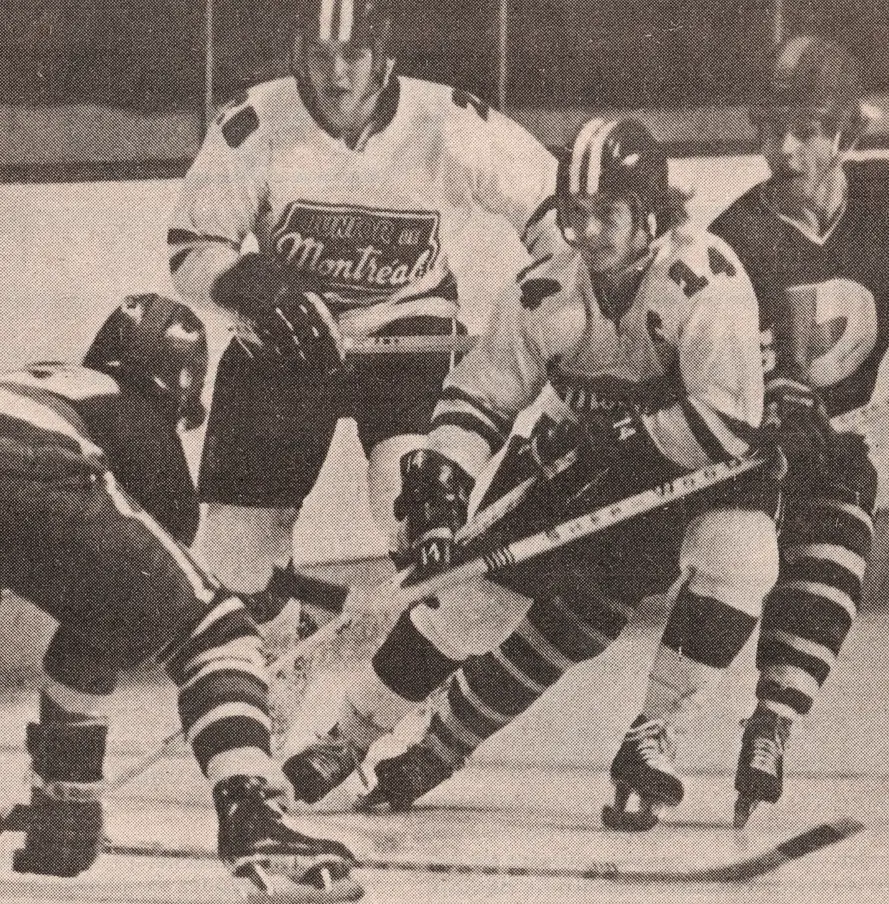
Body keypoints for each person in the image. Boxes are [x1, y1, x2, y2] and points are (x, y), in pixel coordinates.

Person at [282, 117, 793, 829]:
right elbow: (482, 396)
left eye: (607, 212)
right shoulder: (545, 290)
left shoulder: (706, 278)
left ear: (652, 211)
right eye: (573, 213)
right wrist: (444, 481)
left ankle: (655, 735)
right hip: (582, 457)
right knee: (465, 598)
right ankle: (349, 737)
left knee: (742, 558)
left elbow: (725, 421)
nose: (586, 232)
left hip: (702, 471)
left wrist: (624, 440)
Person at [166, 0, 559, 633]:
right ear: (298, 53)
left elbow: (555, 212)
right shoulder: (253, 122)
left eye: (353, 56)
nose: (336, 76)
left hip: (407, 340)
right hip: (287, 347)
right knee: (237, 556)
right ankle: (251, 698)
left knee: (421, 528)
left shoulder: (448, 121)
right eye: (320, 57)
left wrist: (559, 308)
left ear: (385, 56)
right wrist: (246, 283)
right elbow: (191, 248)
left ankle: (383, 703)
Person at [0, 294, 361, 900]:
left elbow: (104, 614)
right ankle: (255, 818)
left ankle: (62, 810)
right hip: (37, 471)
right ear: (180, 377)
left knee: (106, 620)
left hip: (25, 460)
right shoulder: (127, 403)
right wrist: (255, 595)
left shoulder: (43, 380)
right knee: (218, 628)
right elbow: (171, 541)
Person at [706, 33, 889, 827]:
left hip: (832, 449)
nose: (785, 149)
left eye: (808, 129)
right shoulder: (731, 238)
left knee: (837, 539)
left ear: (850, 134)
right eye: (773, 128)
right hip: (737, 454)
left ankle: (772, 723)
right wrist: (761, 407)